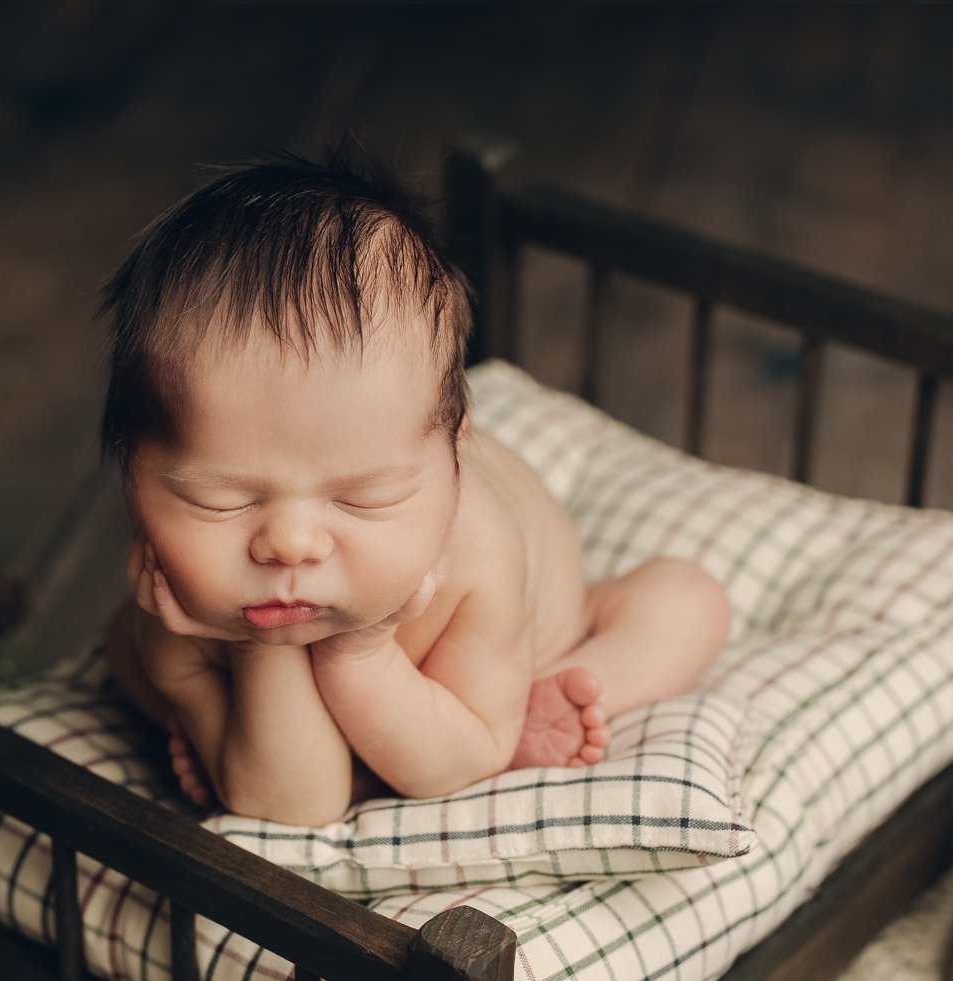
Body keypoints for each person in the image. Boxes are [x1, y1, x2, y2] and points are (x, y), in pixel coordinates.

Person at [99, 135, 732, 826]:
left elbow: (452, 767)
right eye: (222, 498)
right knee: (129, 654)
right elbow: (292, 808)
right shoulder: (173, 610)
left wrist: (361, 650)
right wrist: (257, 649)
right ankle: (300, 742)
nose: (289, 543)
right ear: (135, 478)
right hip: (242, 661)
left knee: (687, 602)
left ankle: (548, 698)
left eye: (364, 497)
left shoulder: (477, 560)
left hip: (493, 676)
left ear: (454, 459)